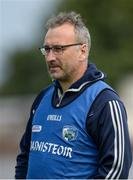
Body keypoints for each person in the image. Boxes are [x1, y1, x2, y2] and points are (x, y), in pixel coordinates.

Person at [15, 11, 132, 179]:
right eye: (46, 49)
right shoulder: (42, 98)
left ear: (82, 51)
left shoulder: (104, 102)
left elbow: (116, 171)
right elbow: (24, 158)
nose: (50, 57)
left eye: (58, 49)